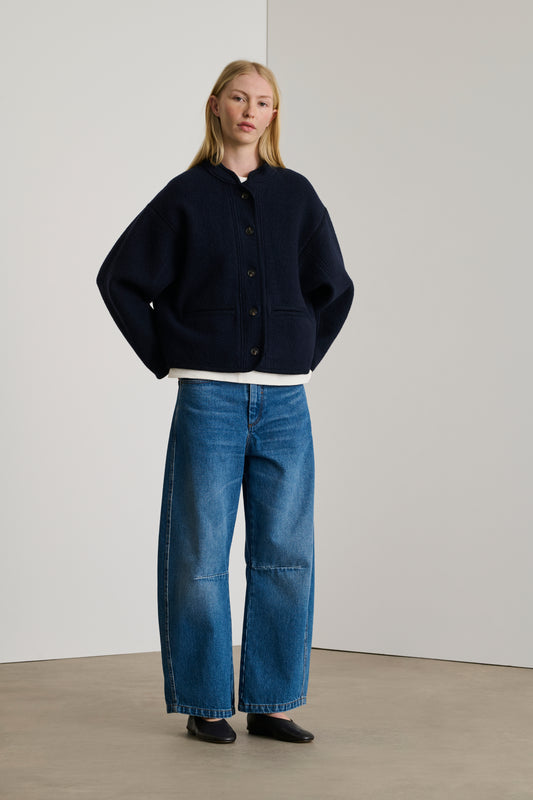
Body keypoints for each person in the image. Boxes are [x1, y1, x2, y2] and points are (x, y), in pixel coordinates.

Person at [97, 60, 354, 745]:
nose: (250, 110)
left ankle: (272, 702)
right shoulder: (186, 195)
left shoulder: (295, 195)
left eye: (263, 102)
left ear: (274, 115)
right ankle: (206, 703)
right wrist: (170, 352)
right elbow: (120, 279)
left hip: (285, 405)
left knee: (286, 555)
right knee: (198, 554)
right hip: (207, 398)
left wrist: (296, 351)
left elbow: (334, 288)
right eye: (239, 98)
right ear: (215, 105)